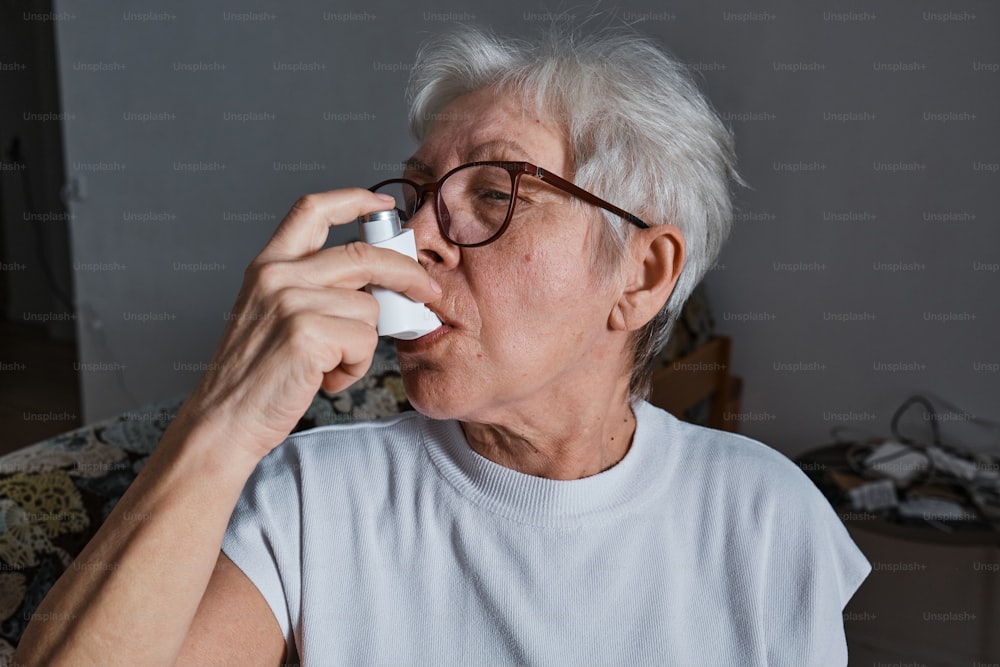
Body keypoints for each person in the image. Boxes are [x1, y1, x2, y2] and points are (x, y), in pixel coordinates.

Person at [15, 24, 870, 665]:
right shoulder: (315, 498)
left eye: (493, 192)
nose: (417, 237)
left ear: (641, 276)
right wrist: (222, 419)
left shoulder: (764, 517)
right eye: (417, 195)